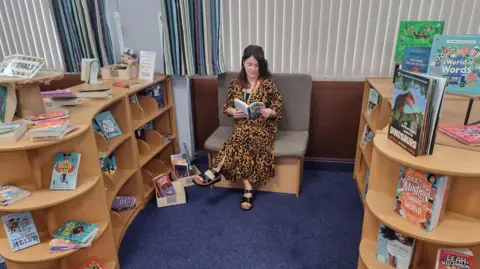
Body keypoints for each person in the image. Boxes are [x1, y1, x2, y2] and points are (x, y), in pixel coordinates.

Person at [193, 45, 283, 211]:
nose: (253, 69)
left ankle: (215, 170)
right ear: (243, 63)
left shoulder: (268, 84)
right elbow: (227, 106)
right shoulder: (235, 83)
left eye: (256, 65)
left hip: (263, 127)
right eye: (249, 64)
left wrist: (270, 111)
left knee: (240, 137)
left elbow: (278, 105)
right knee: (242, 139)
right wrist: (233, 111)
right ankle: (248, 189)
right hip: (242, 125)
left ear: (261, 66)